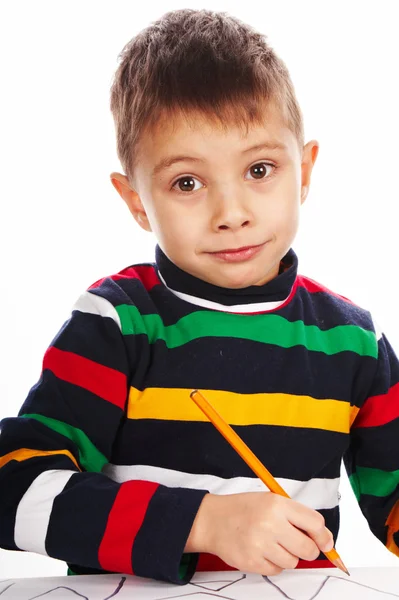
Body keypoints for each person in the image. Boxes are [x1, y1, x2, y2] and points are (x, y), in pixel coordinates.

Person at [0, 7, 398, 586]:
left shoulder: (353, 341)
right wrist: (202, 523)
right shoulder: (116, 323)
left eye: (260, 169)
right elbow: (13, 487)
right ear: (136, 201)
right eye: (187, 183)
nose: (232, 215)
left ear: (305, 171)